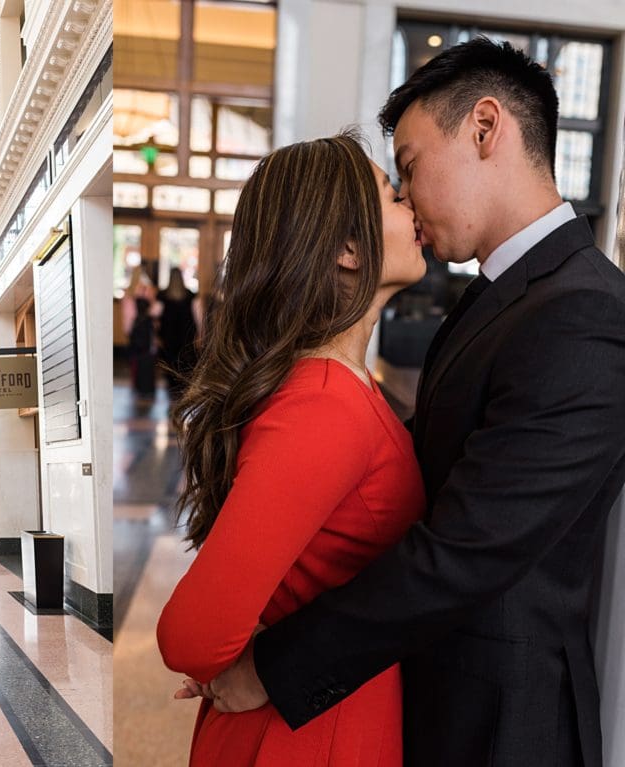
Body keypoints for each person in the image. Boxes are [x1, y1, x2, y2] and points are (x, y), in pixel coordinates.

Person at [192, 39, 625, 767]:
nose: (408, 198)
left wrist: (273, 666)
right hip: (421, 695)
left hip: (500, 724)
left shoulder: (585, 311)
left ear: (486, 128)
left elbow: (465, 551)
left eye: (412, 169)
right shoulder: (497, 297)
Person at [156, 131, 427, 765]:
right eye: (392, 194)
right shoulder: (324, 402)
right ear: (348, 250)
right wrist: (240, 659)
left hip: (316, 714)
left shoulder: (332, 386)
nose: (412, 204)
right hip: (301, 735)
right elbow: (189, 635)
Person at [155, 267, 201, 400]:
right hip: (186, 336)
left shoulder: (162, 295)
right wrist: (199, 333)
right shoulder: (190, 295)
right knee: (184, 363)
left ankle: (171, 392)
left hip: (167, 336)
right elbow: (197, 316)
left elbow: (155, 314)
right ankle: (181, 392)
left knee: (170, 363)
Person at [122, 266, 157, 400]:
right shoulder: (148, 291)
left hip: (135, 332)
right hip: (147, 331)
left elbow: (128, 316)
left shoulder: (129, 293)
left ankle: (137, 386)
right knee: (147, 360)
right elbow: (154, 311)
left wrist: (128, 331)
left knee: (135, 360)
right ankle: (147, 387)